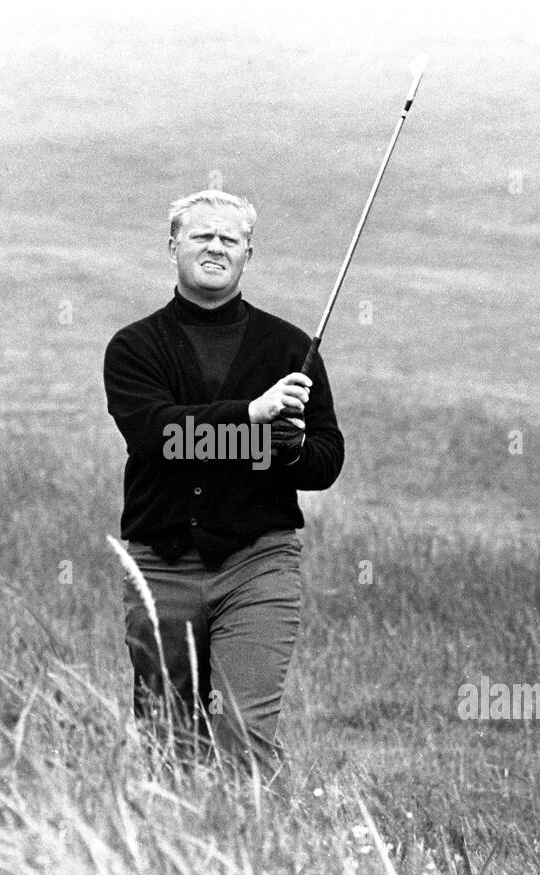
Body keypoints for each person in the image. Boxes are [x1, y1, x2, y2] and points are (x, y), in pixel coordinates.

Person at [103, 188, 345, 789]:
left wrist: (286, 447)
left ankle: (256, 865)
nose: (215, 246)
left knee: (244, 733)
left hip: (259, 563)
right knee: (168, 739)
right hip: (161, 566)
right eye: (201, 235)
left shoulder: (292, 349)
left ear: (248, 254)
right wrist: (253, 416)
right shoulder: (134, 347)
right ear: (173, 247)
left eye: (229, 238)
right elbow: (159, 437)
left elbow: (324, 462)